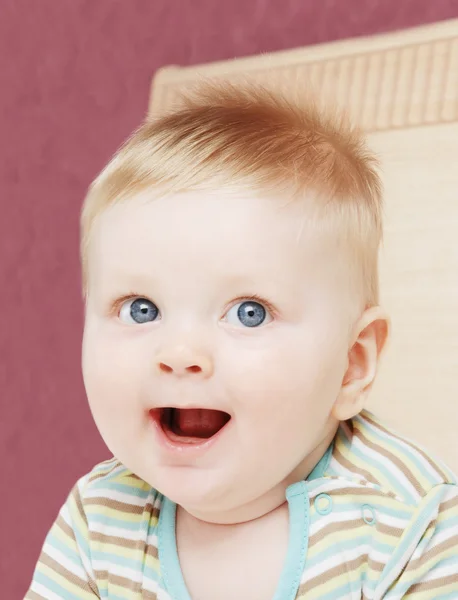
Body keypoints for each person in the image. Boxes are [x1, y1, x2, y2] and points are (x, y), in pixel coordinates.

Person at [25, 82, 458, 600]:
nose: (180, 354)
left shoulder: (409, 522)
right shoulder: (99, 520)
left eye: (249, 314)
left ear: (351, 364)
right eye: (142, 309)